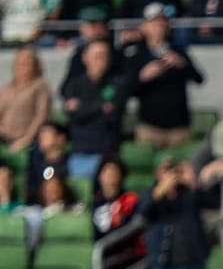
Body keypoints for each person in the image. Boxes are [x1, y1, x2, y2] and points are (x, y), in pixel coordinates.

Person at [125, 3, 205, 150]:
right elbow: (126, 89)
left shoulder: (178, 50)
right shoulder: (135, 54)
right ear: (145, 27)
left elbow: (199, 79)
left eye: (162, 23)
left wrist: (182, 64)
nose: (159, 27)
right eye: (154, 23)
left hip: (179, 128)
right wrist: (142, 77)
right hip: (149, 127)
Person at [63, 39, 128, 176]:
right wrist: (101, 106)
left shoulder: (117, 84)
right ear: (85, 58)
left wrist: (83, 106)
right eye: (97, 56)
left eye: (104, 56)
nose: (101, 60)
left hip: (108, 154)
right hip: (81, 152)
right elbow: (73, 115)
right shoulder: (74, 85)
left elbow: (113, 116)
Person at [92, 158, 143, 269]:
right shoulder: (94, 203)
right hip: (102, 253)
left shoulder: (130, 200)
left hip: (124, 253)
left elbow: (132, 229)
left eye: (114, 172)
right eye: (106, 172)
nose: (110, 176)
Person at [0, 47, 50, 155]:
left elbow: (41, 116)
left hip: (25, 139)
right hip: (3, 137)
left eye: (27, 62)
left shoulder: (40, 86)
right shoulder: (7, 88)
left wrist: (26, 139)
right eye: (19, 62)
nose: (22, 66)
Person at [27, 122, 68, 203]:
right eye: (40, 135)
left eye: (46, 134)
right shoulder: (35, 164)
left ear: (61, 139)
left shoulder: (70, 162)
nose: (41, 138)